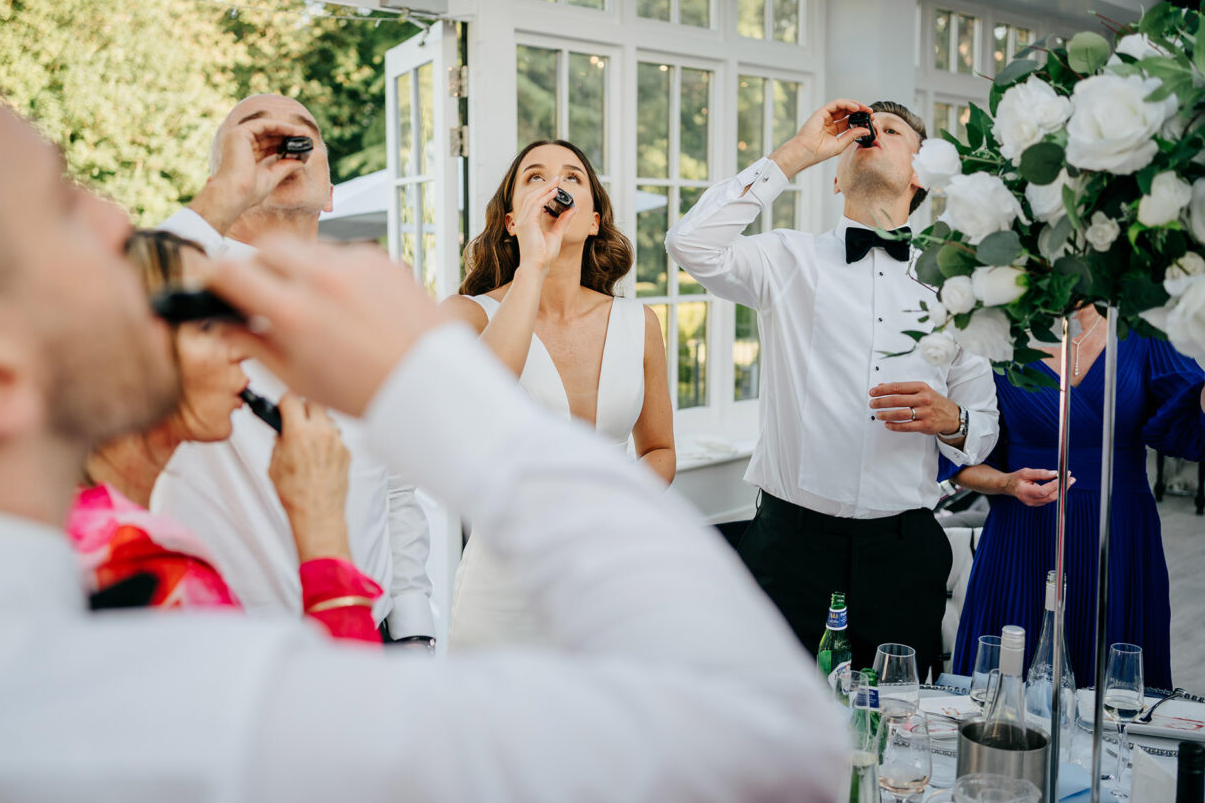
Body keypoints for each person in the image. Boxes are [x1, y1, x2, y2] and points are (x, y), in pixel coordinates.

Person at [0, 66, 846, 801]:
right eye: (61, 206)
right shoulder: (159, 678)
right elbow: (771, 742)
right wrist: (427, 387)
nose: (121, 219)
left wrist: (404, 610)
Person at [665, 99, 999, 681]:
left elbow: (983, 427)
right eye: (860, 133)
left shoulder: (958, 285)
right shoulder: (784, 257)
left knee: (897, 725)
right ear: (838, 175)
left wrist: (953, 420)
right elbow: (690, 244)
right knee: (773, 725)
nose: (870, 133)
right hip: (789, 547)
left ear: (919, 176)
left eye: (891, 131)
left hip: (903, 552)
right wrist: (796, 154)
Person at [153, 93, 436, 649]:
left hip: (366, 633)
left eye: (303, 131)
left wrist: (412, 625)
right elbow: (122, 305)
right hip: (225, 641)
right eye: (254, 131)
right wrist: (226, 195)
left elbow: (398, 483)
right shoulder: (184, 287)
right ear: (226, 174)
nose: (282, 139)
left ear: (331, 193)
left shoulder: (371, 299)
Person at [71, 229, 381, 642]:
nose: (243, 351)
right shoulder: (136, 565)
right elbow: (340, 704)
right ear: (124, 347)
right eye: (206, 325)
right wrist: (321, 527)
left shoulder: (68, 518)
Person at [443, 139, 675, 648]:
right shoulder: (464, 315)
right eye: (535, 177)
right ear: (511, 220)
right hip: (505, 582)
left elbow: (659, 452)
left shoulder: (640, 324)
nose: (556, 186)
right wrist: (534, 264)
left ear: (593, 219)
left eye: (573, 178)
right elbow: (480, 401)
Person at [950, 305, 1205, 689]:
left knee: (1115, 697)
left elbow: (1188, 430)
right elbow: (957, 460)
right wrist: (1006, 483)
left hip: (1119, 537)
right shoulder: (994, 330)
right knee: (1005, 701)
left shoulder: (1144, 327)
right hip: (1022, 536)